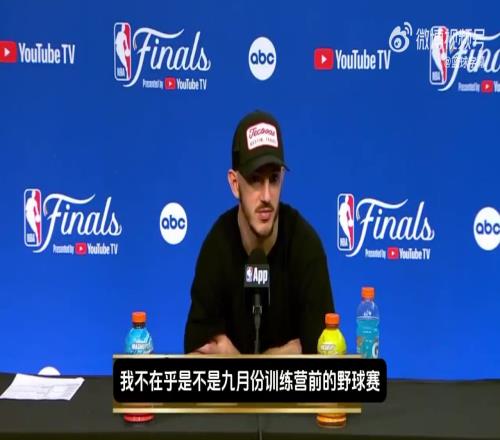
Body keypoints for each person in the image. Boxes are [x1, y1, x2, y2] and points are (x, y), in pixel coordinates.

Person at [184, 110, 334, 355]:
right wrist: (287, 353)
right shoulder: (217, 247)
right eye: (255, 180)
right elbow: (196, 352)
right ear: (235, 184)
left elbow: (322, 355)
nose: (266, 196)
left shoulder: (305, 245)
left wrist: (239, 363)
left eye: (273, 179)